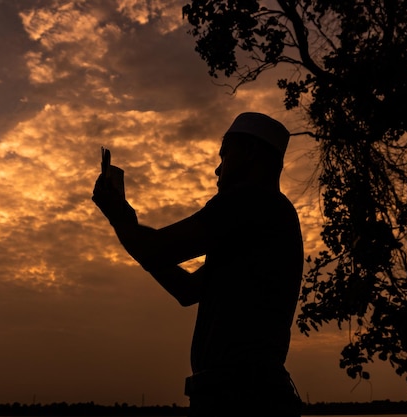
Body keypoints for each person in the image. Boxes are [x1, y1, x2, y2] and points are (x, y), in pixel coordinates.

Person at [92, 112, 304, 416]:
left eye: (225, 154)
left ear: (250, 153)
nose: (218, 169)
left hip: (241, 397)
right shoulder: (269, 214)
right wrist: (134, 235)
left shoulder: (248, 201)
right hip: (247, 391)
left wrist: (121, 219)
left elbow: (156, 253)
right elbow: (188, 289)